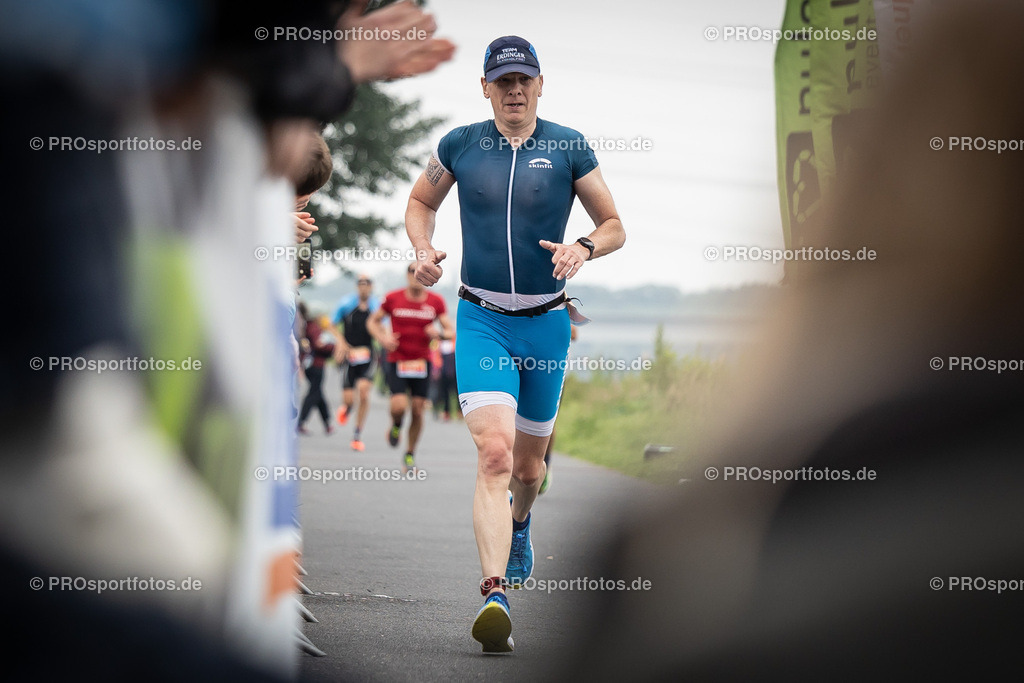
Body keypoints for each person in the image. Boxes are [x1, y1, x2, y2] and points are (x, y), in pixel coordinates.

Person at [404, 35, 625, 652]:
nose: (515, 91)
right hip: (481, 319)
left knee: (529, 468)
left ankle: (521, 522)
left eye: (524, 80)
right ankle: (494, 590)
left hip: (547, 323)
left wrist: (582, 248)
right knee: (495, 455)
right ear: (484, 88)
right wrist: (423, 251)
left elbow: (614, 226)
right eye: (503, 82)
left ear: (540, 83)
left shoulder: (568, 145)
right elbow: (421, 200)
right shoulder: (458, 145)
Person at [367, 265, 454, 472]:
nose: (416, 277)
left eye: (420, 272)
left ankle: (409, 453)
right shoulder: (392, 298)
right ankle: (396, 425)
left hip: (421, 362)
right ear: (407, 275)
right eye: (412, 272)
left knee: (417, 410)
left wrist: (439, 334)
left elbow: (450, 331)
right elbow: (373, 321)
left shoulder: (435, 301)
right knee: (398, 406)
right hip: (397, 359)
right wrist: (383, 338)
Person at [331, 273, 381, 451]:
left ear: (371, 287)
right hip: (349, 354)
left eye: (367, 284)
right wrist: (341, 343)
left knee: (364, 393)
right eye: (360, 284)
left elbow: (382, 326)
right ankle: (346, 408)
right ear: (357, 287)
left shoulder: (376, 306)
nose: (364, 287)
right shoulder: (346, 303)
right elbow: (331, 324)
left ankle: (357, 435)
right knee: (349, 399)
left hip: (367, 354)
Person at [538, 324, 576, 495]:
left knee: (547, 422)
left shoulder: (556, 296)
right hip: (517, 364)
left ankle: (545, 463)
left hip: (551, 367)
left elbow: (573, 334)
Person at [298, 311, 339, 435]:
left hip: (311, 364)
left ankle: (327, 423)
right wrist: (332, 347)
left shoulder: (308, 327)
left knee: (318, 393)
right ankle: (301, 422)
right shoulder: (314, 328)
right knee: (313, 394)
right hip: (316, 365)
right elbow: (319, 344)